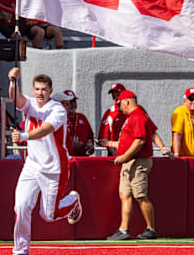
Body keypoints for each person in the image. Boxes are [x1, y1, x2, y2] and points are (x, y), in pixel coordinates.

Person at [8, 68, 82, 255]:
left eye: (44, 89)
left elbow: (46, 129)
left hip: (54, 168)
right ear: (33, 90)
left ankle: (72, 200)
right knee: (21, 206)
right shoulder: (31, 104)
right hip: (32, 166)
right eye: (37, 89)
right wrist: (12, 81)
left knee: (49, 216)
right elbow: (16, 99)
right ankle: (20, 250)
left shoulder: (58, 109)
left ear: (50, 91)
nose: (40, 93)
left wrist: (24, 135)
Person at [106, 90, 171, 240]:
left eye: (120, 104)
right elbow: (150, 134)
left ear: (127, 102)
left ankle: (151, 229)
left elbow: (140, 140)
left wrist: (123, 156)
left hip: (137, 161)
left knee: (140, 195)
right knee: (125, 194)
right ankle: (123, 230)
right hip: (130, 162)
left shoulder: (138, 116)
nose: (120, 108)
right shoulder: (137, 115)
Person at [62, 90, 95, 157]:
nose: (73, 104)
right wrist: (71, 144)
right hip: (67, 157)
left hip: (82, 157)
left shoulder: (82, 117)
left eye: (74, 101)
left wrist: (90, 145)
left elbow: (90, 136)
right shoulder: (60, 118)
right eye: (70, 102)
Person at [98, 82, 128, 156]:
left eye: (117, 92)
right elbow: (104, 137)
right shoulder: (109, 112)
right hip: (115, 153)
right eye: (113, 93)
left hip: (132, 151)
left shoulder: (132, 110)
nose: (115, 95)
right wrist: (113, 151)